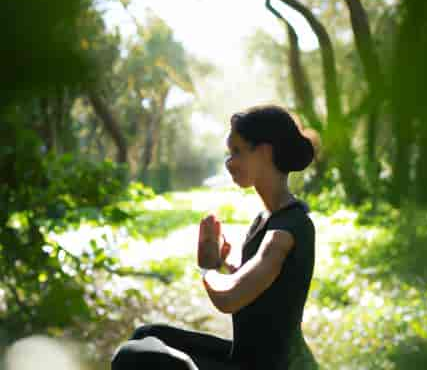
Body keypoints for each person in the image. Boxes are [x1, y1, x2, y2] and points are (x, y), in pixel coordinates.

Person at [111, 105, 316, 370]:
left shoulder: (285, 230)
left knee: (131, 356)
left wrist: (207, 269)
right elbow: (257, 285)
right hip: (242, 357)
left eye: (237, 152)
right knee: (146, 335)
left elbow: (231, 298)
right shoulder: (265, 219)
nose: (229, 163)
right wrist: (221, 264)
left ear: (265, 152)